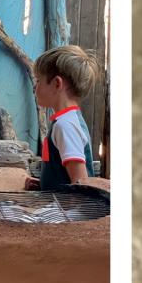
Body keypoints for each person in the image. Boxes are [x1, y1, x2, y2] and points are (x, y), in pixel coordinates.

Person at [25, 45, 100, 190]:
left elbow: (81, 185)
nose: (35, 87)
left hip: (67, 212)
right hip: (62, 207)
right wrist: (43, 186)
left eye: (39, 80)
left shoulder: (65, 125)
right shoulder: (68, 120)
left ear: (57, 84)